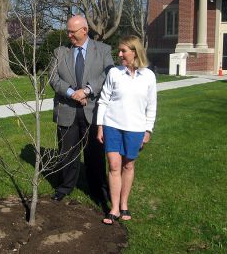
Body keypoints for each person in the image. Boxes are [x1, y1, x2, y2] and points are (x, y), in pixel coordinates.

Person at [49, 15, 114, 203]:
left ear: (84, 30)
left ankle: (98, 190)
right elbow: (53, 78)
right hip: (67, 108)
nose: (69, 35)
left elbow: (108, 74)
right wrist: (71, 93)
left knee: (94, 154)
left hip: (93, 110)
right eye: (67, 31)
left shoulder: (103, 50)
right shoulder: (60, 52)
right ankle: (65, 187)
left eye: (72, 31)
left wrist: (86, 90)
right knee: (66, 153)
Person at [96, 35, 157, 225]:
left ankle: (124, 204)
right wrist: (100, 126)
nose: (119, 54)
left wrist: (148, 130)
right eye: (119, 50)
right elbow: (104, 100)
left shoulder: (149, 76)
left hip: (135, 129)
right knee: (114, 166)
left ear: (135, 52)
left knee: (128, 166)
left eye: (123, 51)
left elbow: (151, 105)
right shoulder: (114, 73)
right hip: (112, 125)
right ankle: (114, 208)